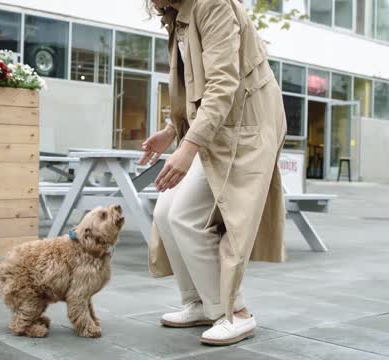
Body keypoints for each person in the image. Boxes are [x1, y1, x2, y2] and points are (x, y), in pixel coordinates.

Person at [140, 0, 287, 346]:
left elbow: (222, 84)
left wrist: (187, 148)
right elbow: (195, 83)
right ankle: (200, 303)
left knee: (187, 217)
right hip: (218, 126)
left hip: (246, 125)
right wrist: (171, 130)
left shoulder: (213, 4)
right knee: (164, 212)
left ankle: (235, 313)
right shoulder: (178, 14)